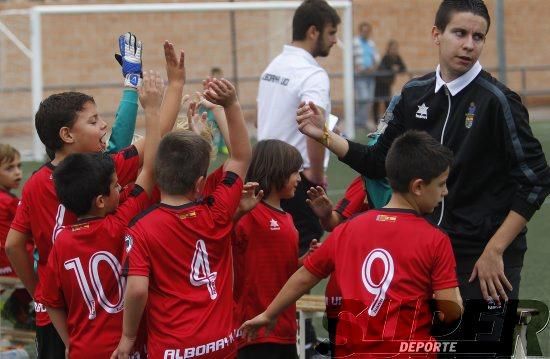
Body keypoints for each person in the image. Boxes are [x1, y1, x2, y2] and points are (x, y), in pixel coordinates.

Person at [296, 0, 550, 355]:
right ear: (436, 34)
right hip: (424, 253)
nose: (469, 44)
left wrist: (496, 249)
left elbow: (536, 179)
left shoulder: (498, 102)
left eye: (478, 37)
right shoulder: (413, 95)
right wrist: (322, 134)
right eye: (459, 33)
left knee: (477, 351)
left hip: (484, 259)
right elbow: (378, 162)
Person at [5, 39, 185, 358]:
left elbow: (13, 245)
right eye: (93, 121)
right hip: (105, 316)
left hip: (58, 312)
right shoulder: (108, 171)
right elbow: (154, 143)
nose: (103, 126)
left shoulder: (34, 184)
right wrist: (173, 86)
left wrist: (41, 295)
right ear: (66, 135)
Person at [240, 130, 463, 357]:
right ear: (417, 187)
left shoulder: (349, 229)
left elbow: (305, 276)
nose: (445, 191)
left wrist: (269, 314)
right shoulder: (435, 240)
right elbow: (450, 311)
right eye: (441, 184)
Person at [111, 78, 251, 359]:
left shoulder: (140, 227)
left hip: (173, 350)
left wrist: (128, 338)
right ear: (200, 184)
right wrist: (231, 105)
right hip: (221, 345)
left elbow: (137, 290)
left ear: (154, 173)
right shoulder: (218, 211)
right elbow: (241, 157)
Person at [40, 70, 162, 359]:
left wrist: (69, 342)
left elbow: (50, 301)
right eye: (115, 186)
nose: (120, 188)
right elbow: (150, 171)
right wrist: (153, 112)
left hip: (83, 350)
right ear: (100, 200)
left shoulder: (62, 243)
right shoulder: (119, 222)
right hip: (125, 347)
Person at [233, 139, 319, 359]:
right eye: (294, 173)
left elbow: (283, 270)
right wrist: (236, 214)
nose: (299, 179)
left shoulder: (289, 219)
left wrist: (304, 260)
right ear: (276, 171)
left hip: (285, 329)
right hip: (252, 330)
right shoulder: (247, 213)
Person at [353, 21, 380, 130]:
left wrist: (373, 68)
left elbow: (377, 58)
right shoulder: (355, 42)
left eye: (367, 31)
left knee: (368, 99)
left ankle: (362, 122)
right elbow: (350, 58)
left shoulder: (371, 44)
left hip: (370, 75)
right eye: (364, 31)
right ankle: (359, 122)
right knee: (362, 98)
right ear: (360, 31)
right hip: (360, 75)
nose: (365, 33)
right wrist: (357, 67)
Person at [373, 40, 406, 122]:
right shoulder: (386, 57)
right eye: (392, 48)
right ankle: (375, 120)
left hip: (387, 83)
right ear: (388, 49)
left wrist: (397, 68)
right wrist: (393, 67)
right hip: (380, 82)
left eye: (395, 48)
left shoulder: (397, 57)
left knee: (387, 102)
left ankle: (387, 120)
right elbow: (387, 67)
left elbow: (403, 68)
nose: (394, 50)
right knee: (377, 102)